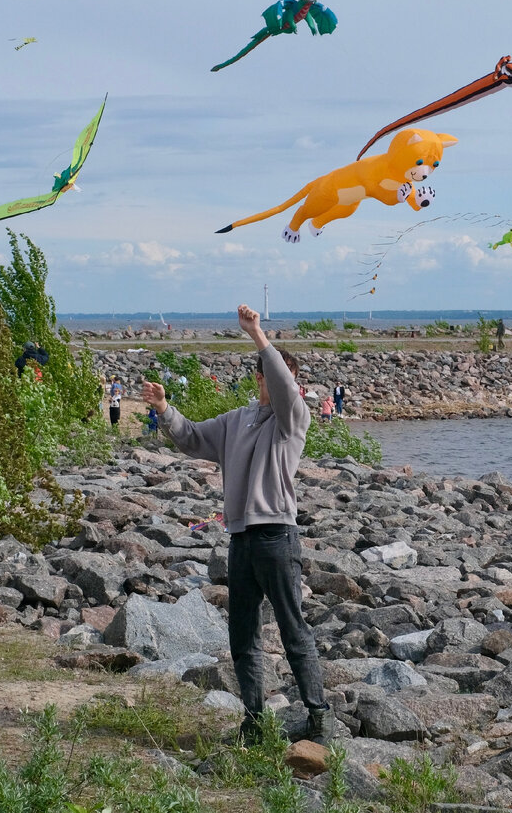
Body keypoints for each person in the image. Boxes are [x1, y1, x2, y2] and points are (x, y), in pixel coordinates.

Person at [141, 303, 333, 746]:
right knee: (242, 634)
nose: (274, 384)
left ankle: (318, 715)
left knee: (292, 628)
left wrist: (258, 335)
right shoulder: (238, 419)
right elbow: (192, 437)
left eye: (281, 377)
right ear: (257, 380)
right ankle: (254, 720)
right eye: (266, 376)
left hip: (277, 537)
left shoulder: (293, 419)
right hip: (242, 539)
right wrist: (166, 409)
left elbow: (286, 386)